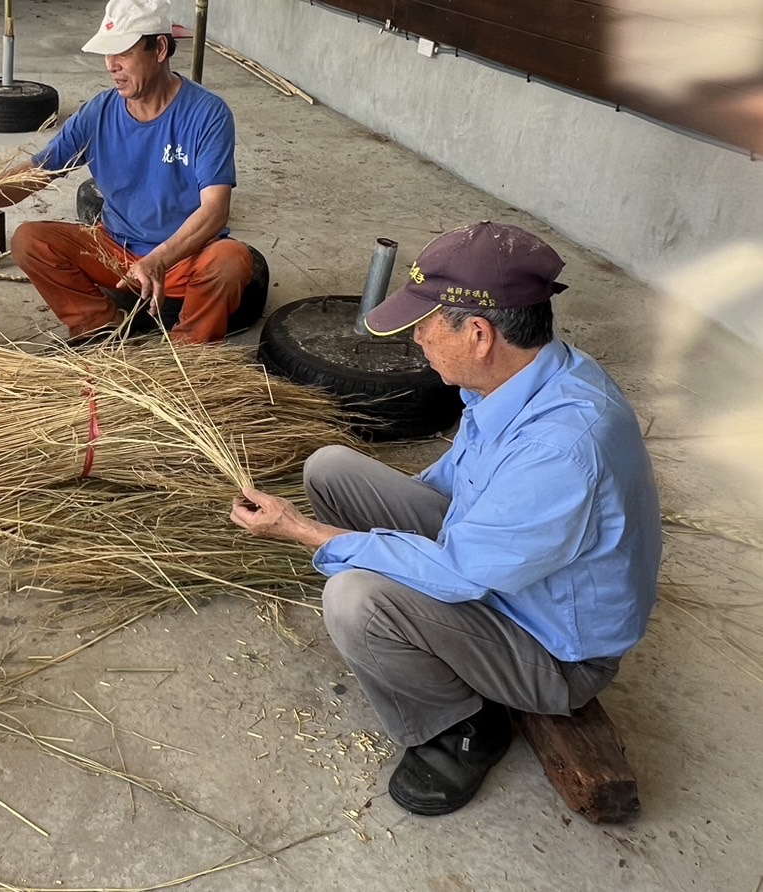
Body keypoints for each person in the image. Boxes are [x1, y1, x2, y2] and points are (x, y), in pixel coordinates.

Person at [230, 222, 662, 816]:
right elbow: (451, 481)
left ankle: (463, 729)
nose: (417, 343)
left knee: (355, 599)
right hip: (501, 573)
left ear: (480, 333)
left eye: (426, 327)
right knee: (330, 469)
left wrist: (306, 533)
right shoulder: (525, 377)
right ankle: (411, 640)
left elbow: (462, 573)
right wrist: (381, 530)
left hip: (551, 648)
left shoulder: (560, 449)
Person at [8, 0, 255, 344]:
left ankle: (190, 351)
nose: (112, 65)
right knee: (29, 240)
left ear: (160, 51)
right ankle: (98, 325)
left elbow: (215, 210)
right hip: (115, 251)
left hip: (183, 256)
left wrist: (159, 258)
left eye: (123, 53)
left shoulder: (207, 113)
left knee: (231, 260)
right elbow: (40, 169)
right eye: (108, 54)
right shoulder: (99, 112)